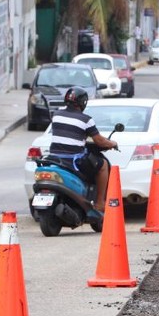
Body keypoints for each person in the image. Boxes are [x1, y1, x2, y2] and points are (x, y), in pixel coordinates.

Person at [48, 87, 118, 218]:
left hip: (55, 158)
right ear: (83, 103)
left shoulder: (56, 115)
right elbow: (100, 142)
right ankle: (99, 202)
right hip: (73, 160)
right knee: (102, 165)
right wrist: (113, 143)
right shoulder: (86, 120)